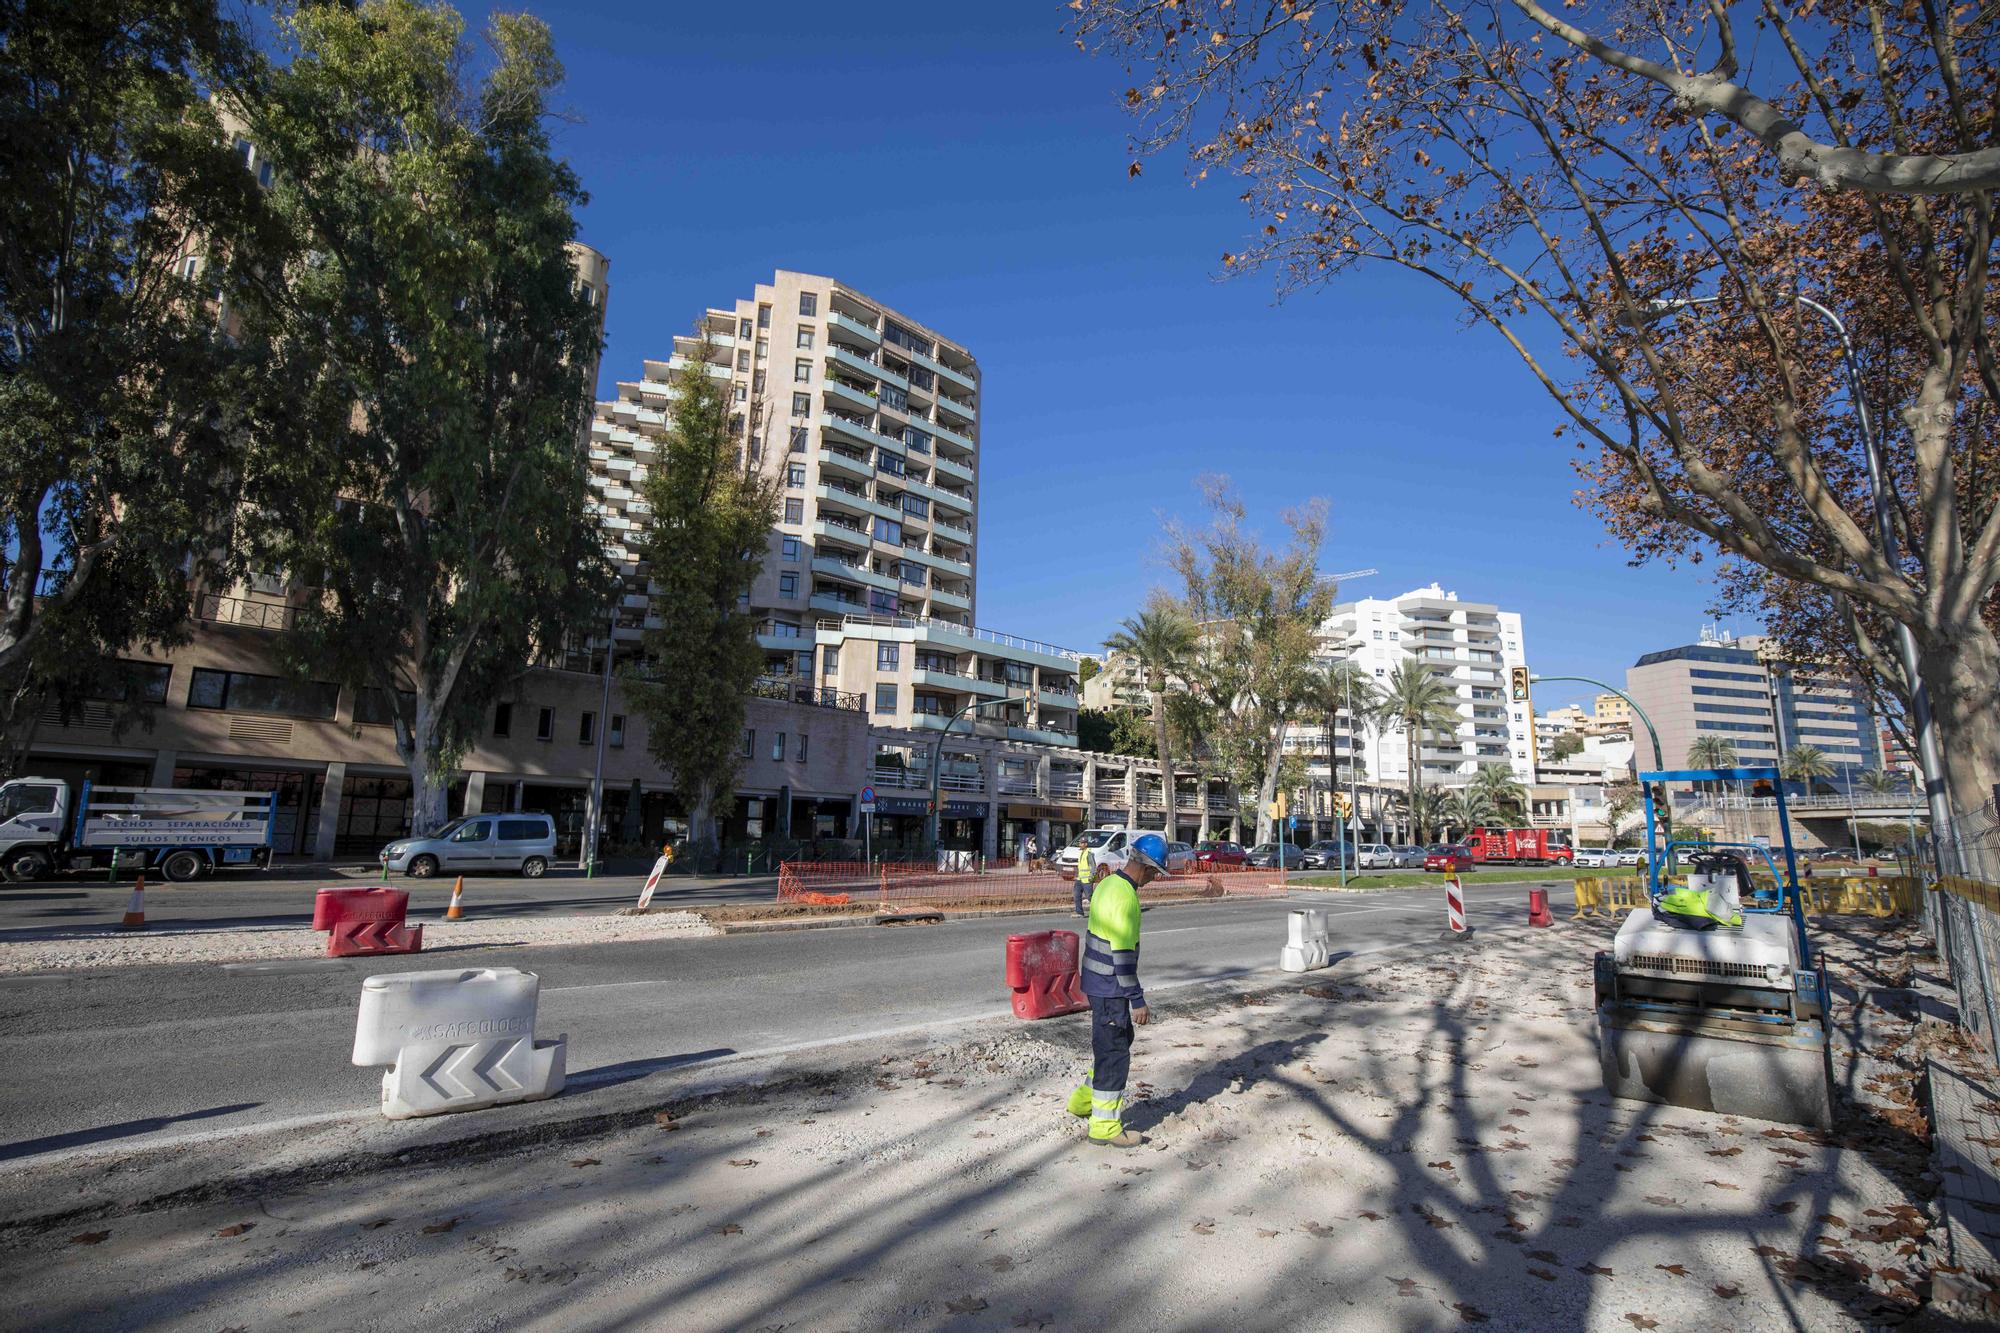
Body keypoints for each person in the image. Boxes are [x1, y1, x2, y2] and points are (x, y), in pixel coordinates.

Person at [1065, 832, 1164, 1148]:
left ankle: (1083, 1101)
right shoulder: (1126, 898)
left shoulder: (1108, 884)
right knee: (1115, 1054)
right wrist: (1137, 1000)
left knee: (1110, 1044)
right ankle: (1104, 1128)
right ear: (1146, 868)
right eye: (1154, 874)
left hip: (1096, 983)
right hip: (1111, 986)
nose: (1152, 880)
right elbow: (1122, 958)